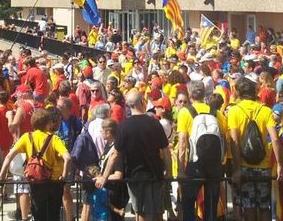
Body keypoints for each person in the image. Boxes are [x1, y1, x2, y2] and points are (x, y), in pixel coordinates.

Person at [96, 89, 172, 221]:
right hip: (155, 174)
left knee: (140, 213)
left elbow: (114, 154)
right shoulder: (154, 123)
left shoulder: (124, 126)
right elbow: (166, 151)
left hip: (134, 175)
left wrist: (104, 176)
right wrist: (169, 172)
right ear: (142, 102)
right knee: (157, 213)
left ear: (127, 105)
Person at [0, 108, 71, 221]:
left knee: (38, 214)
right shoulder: (54, 139)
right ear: (47, 123)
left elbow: (9, 156)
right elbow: (67, 157)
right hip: (54, 182)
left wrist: (2, 176)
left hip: (36, 181)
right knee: (54, 215)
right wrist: (64, 176)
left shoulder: (27, 137)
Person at [227, 77, 283, 221]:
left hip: (244, 166)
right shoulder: (266, 110)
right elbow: (275, 139)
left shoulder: (234, 111)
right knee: (264, 206)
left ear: (239, 93)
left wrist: (237, 168)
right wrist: (279, 165)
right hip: (264, 166)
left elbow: (234, 141)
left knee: (249, 207)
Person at [177, 80, 225, 221]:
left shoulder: (185, 112)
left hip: (195, 163)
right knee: (211, 204)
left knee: (188, 203)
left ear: (189, 94)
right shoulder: (216, 113)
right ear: (204, 94)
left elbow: (182, 143)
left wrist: (181, 169)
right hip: (214, 164)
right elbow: (224, 138)